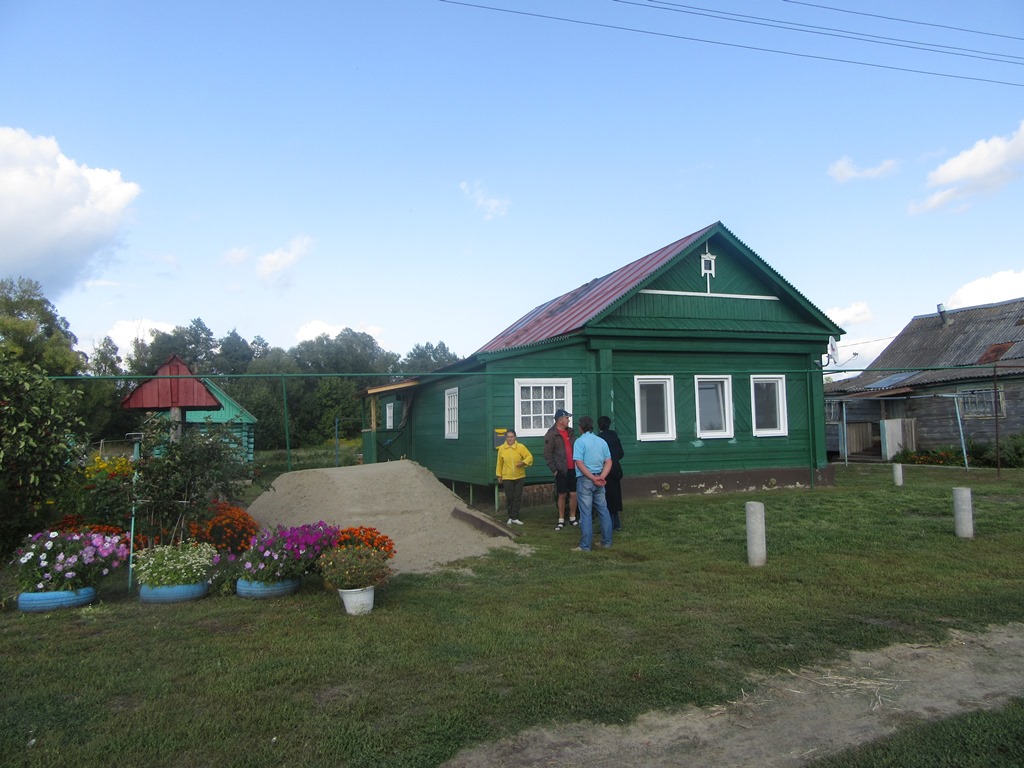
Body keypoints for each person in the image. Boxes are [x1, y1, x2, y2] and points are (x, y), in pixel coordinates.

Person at [571, 415, 613, 551]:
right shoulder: (601, 441)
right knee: (603, 511)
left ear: (581, 427)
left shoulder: (579, 441)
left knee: (586, 513)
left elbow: (579, 462)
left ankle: (585, 546)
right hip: (599, 479)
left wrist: (592, 477)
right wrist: (601, 477)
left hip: (585, 480)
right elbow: (608, 461)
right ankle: (607, 542)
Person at [543, 408, 577, 530]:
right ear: (560, 420)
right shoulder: (551, 434)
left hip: (573, 468)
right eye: (567, 418)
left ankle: (573, 518)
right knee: (562, 494)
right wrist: (555, 470)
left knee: (573, 493)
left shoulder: (571, 432)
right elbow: (547, 454)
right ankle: (561, 519)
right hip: (561, 469)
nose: (568, 420)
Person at [495, 429, 533, 525]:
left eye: (512, 437)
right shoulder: (502, 449)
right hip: (507, 477)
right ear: (506, 438)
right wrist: (499, 475)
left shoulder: (520, 447)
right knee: (510, 497)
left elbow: (529, 456)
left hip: (519, 476)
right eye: (508, 437)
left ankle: (514, 517)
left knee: (517, 497)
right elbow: (499, 463)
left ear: (515, 437)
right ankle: (510, 516)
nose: (510, 439)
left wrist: (523, 463)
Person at [597, 415, 625, 531]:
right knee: (615, 496)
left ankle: (609, 525)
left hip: (604, 470)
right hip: (615, 469)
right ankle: (617, 524)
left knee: (606, 498)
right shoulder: (614, 435)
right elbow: (621, 453)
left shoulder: (599, 438)